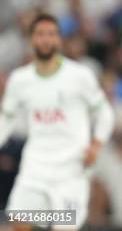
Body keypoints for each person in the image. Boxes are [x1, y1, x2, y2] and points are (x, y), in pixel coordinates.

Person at [0, 13, 115, 229]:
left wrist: (97, 144)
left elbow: (105, 113)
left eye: (51, 34)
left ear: (59, 40)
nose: (45, 40)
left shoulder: (79, 76)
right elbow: (5, 121)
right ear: (31, 40)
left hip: (70, 171)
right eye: (40, 34)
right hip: (35, 168)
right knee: (18, 222)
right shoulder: (20, 80)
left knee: (63, 226)